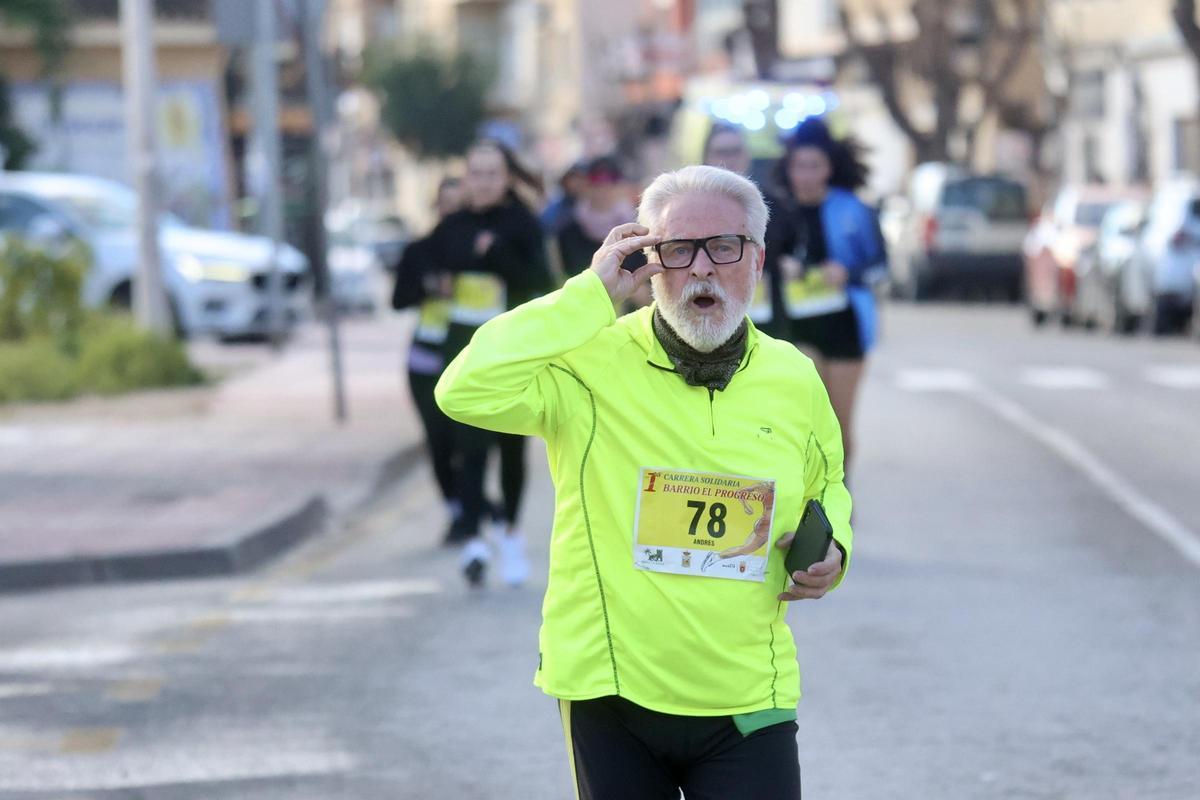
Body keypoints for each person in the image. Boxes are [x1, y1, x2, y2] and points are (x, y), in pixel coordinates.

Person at [436, 165, 852, 798]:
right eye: (678, 250)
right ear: (645, 258)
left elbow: (829, 484)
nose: (703, 269)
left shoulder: (793, 376)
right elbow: (464, 389)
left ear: (758, 259)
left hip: (747, 695)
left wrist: (834, 550)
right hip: (612, 694)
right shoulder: (588, 361)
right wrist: (589, 295)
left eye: (724, 246)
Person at [429, 139, 555, 586]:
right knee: (468, 448)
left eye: (491, 173)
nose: (482, 182)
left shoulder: (522, 223)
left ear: (506, 179)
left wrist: (495, 253)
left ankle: (513, 534)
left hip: (510, 350)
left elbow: (540, 282)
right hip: (462, 349)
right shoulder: (453, 224)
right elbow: (434, 269)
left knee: (509, 449)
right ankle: (475, 540)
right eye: (475, 173)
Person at [766, 118, 886, 473]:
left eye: (814, 166)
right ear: (788, 168)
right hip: (794, 329)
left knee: (840, 429)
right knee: (805, 423)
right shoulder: (773, 211)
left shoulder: (854, 210)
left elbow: (880, 267)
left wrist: (848, 274)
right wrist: (779, 266)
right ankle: (805, 501)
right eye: (798, 166)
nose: (805, 175)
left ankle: (839, 499)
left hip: (845, 328)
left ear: (829, 168)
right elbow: (752, 264)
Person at [391, 177, 465, 542]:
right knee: (438, 441)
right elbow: (397, 299)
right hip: (426, 360)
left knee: (469, 442)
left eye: (459, 204)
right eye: (446, 204)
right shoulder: (420, 250)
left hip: (469, 357)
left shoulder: (479, 247)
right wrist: (429, 288)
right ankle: (456, 509)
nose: (452, 212)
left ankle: (475, 508)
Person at [553, 155, 638, 278]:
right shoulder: (568, 232)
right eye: (597, 183)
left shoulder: (638, 230)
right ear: (586, 187)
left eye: (611, 182)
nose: (604, 190)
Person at [540, 159, 589, 235]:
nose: (575, 184)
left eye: (579, 179)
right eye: (571, 180)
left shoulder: (593, 203)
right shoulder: (556, 207)